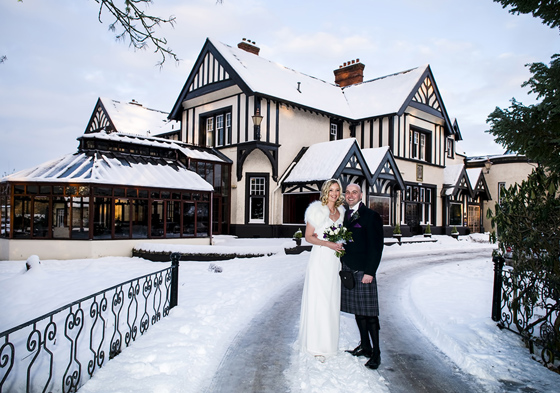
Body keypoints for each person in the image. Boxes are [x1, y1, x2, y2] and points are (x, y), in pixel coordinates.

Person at [297, 179, 346, 361]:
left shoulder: (341, 212)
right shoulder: (316, 210)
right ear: (325, 191)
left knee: (332, 300)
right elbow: (308, 237)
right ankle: (316, 345)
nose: (334, 193)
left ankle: (329, 343)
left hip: (334, 261)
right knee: (320, 299)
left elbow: (344, 234)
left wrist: (341, 244)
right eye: (331, 190)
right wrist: (327, 244)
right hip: (320, 259)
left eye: (337, 190)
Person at [340, 183, 384, 369]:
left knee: (370, 314)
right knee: (359, 312)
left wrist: (370, 272)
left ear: (361, 195)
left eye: (354, 192)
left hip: (364, 271)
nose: (350, 195)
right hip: (349, 269)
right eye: (348, 192)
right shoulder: (344, 215)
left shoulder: (371, 216)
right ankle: (365, 346)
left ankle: (376, 353)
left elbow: (376, 247)